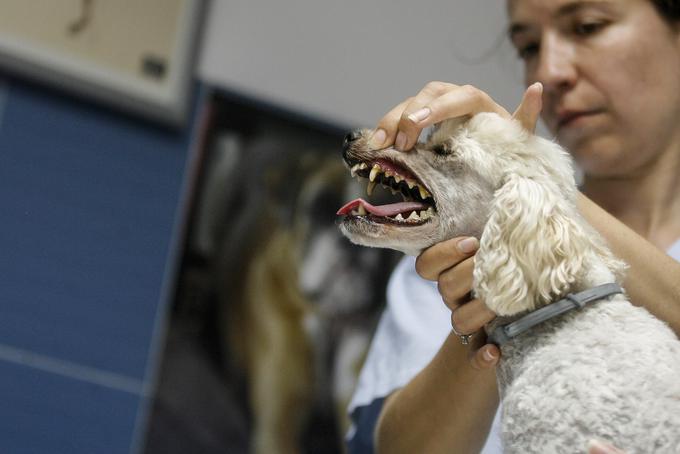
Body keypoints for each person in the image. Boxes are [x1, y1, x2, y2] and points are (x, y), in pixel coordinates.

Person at [346, 1, 680, 453]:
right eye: (528, 46)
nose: (550, 69)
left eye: (588, 26)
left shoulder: (508, 205)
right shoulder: (456, 247)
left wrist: (531, 177)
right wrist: (486, 318)